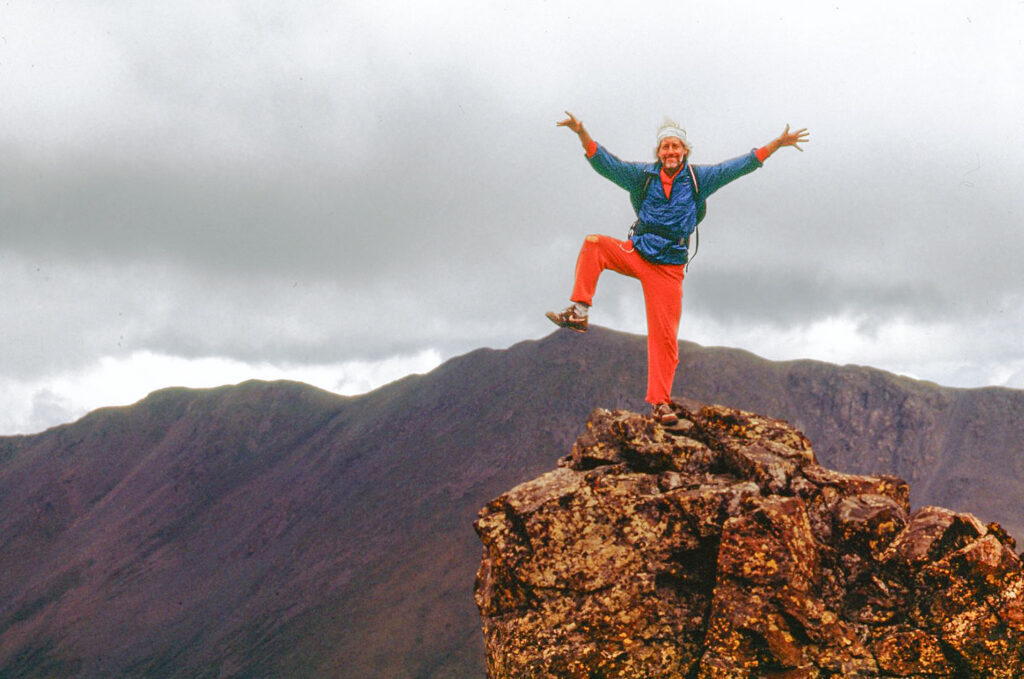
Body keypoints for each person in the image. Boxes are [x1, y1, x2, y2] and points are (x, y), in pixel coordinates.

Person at [547, 111, 809, 425]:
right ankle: (579, 312)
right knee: (594, 244)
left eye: (676, 146)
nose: (670, 152)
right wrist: (581, 132)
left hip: (668, 268)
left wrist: (778, 144)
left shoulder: (700, 179)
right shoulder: (641, 175)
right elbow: (605, 163)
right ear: (658, 152)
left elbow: (740, 165)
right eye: (665, 147)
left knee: (665, 338)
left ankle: (660, 403)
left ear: (684, 150)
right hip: (637, 251)